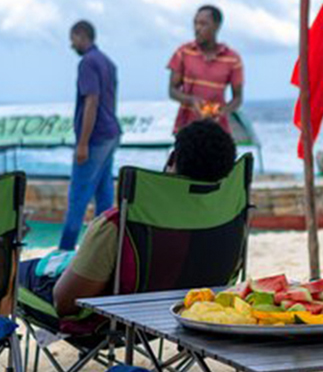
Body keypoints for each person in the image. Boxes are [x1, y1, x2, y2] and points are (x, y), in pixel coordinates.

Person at [19, 121, 236, 321]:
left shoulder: (120, 225)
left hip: (108, 320)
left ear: (172, 159)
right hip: (184, 313)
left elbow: (64, 303)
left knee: (13, 272)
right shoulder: (231, 221)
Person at [59, 20, 121, 252]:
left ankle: (63, 252)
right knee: (104, 198)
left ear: (81, 35)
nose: (71, 43)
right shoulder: (108, 62)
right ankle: (101, 250)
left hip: (95, 138)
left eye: (72, 38)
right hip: (111, 133)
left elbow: (91, 101)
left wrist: (83, 143)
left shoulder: (87, 62)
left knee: (77, 199)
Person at [167, 5, 244, 136]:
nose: (197, 28)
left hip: (218, 130)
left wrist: (222, 111)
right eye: (195, 23)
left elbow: (237, 98)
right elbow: (172, 91)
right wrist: (191, 100)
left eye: (203, 24)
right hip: (186, 129)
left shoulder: (232, 59)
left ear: (217, 26)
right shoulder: (183, 52)